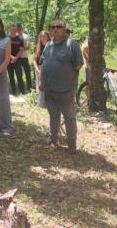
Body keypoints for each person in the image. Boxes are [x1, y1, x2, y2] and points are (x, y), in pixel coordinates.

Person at [39, 19, 84, 153]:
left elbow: (79, 64)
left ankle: (71, 145)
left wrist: (66, 74)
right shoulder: (48, 45)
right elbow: (43, 64)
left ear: (64, 30)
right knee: (53, 115)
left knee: (69, 117)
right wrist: (41, 81)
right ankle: (53, 139)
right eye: (52, 27)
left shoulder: (72, 44)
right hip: (49, 88)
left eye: (58, 27)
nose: (55, 29)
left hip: (66, 90)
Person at [7, 24, 26, 96]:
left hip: (17, 60)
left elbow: (21, 50)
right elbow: (5, 50)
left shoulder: (20, 39)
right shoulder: (6, 39)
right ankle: (13, 92)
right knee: (11, 76)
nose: (13, 31)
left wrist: (15, 58)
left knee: (19, 76)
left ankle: (22, 91)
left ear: (16, 30)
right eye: (12, 29)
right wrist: (11, 57)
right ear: (10, 29)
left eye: (15, 29)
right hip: (8, 60)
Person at [33, 30, 50, 108]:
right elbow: (34, 60)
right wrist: (37, 69)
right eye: (41, 36)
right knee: (40, 86)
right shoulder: (37, 47)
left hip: (47, 68)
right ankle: (40, 104)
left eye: (44, 36)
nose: (42, 38)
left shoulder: (51, 46)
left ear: (48, 37)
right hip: (39, 68)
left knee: (48, 86)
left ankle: (48, 103)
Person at [17, 24, 33, 92]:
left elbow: (28, 47)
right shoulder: (15, 36)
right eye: (17, 28)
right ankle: (21, 89)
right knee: (19, 74)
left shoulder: (26, 36)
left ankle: (30, 88)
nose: (18, 29)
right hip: (17, 58)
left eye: (20, 28)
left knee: (27, 72)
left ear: (22, 28)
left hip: (24, 57)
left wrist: (21, 49)